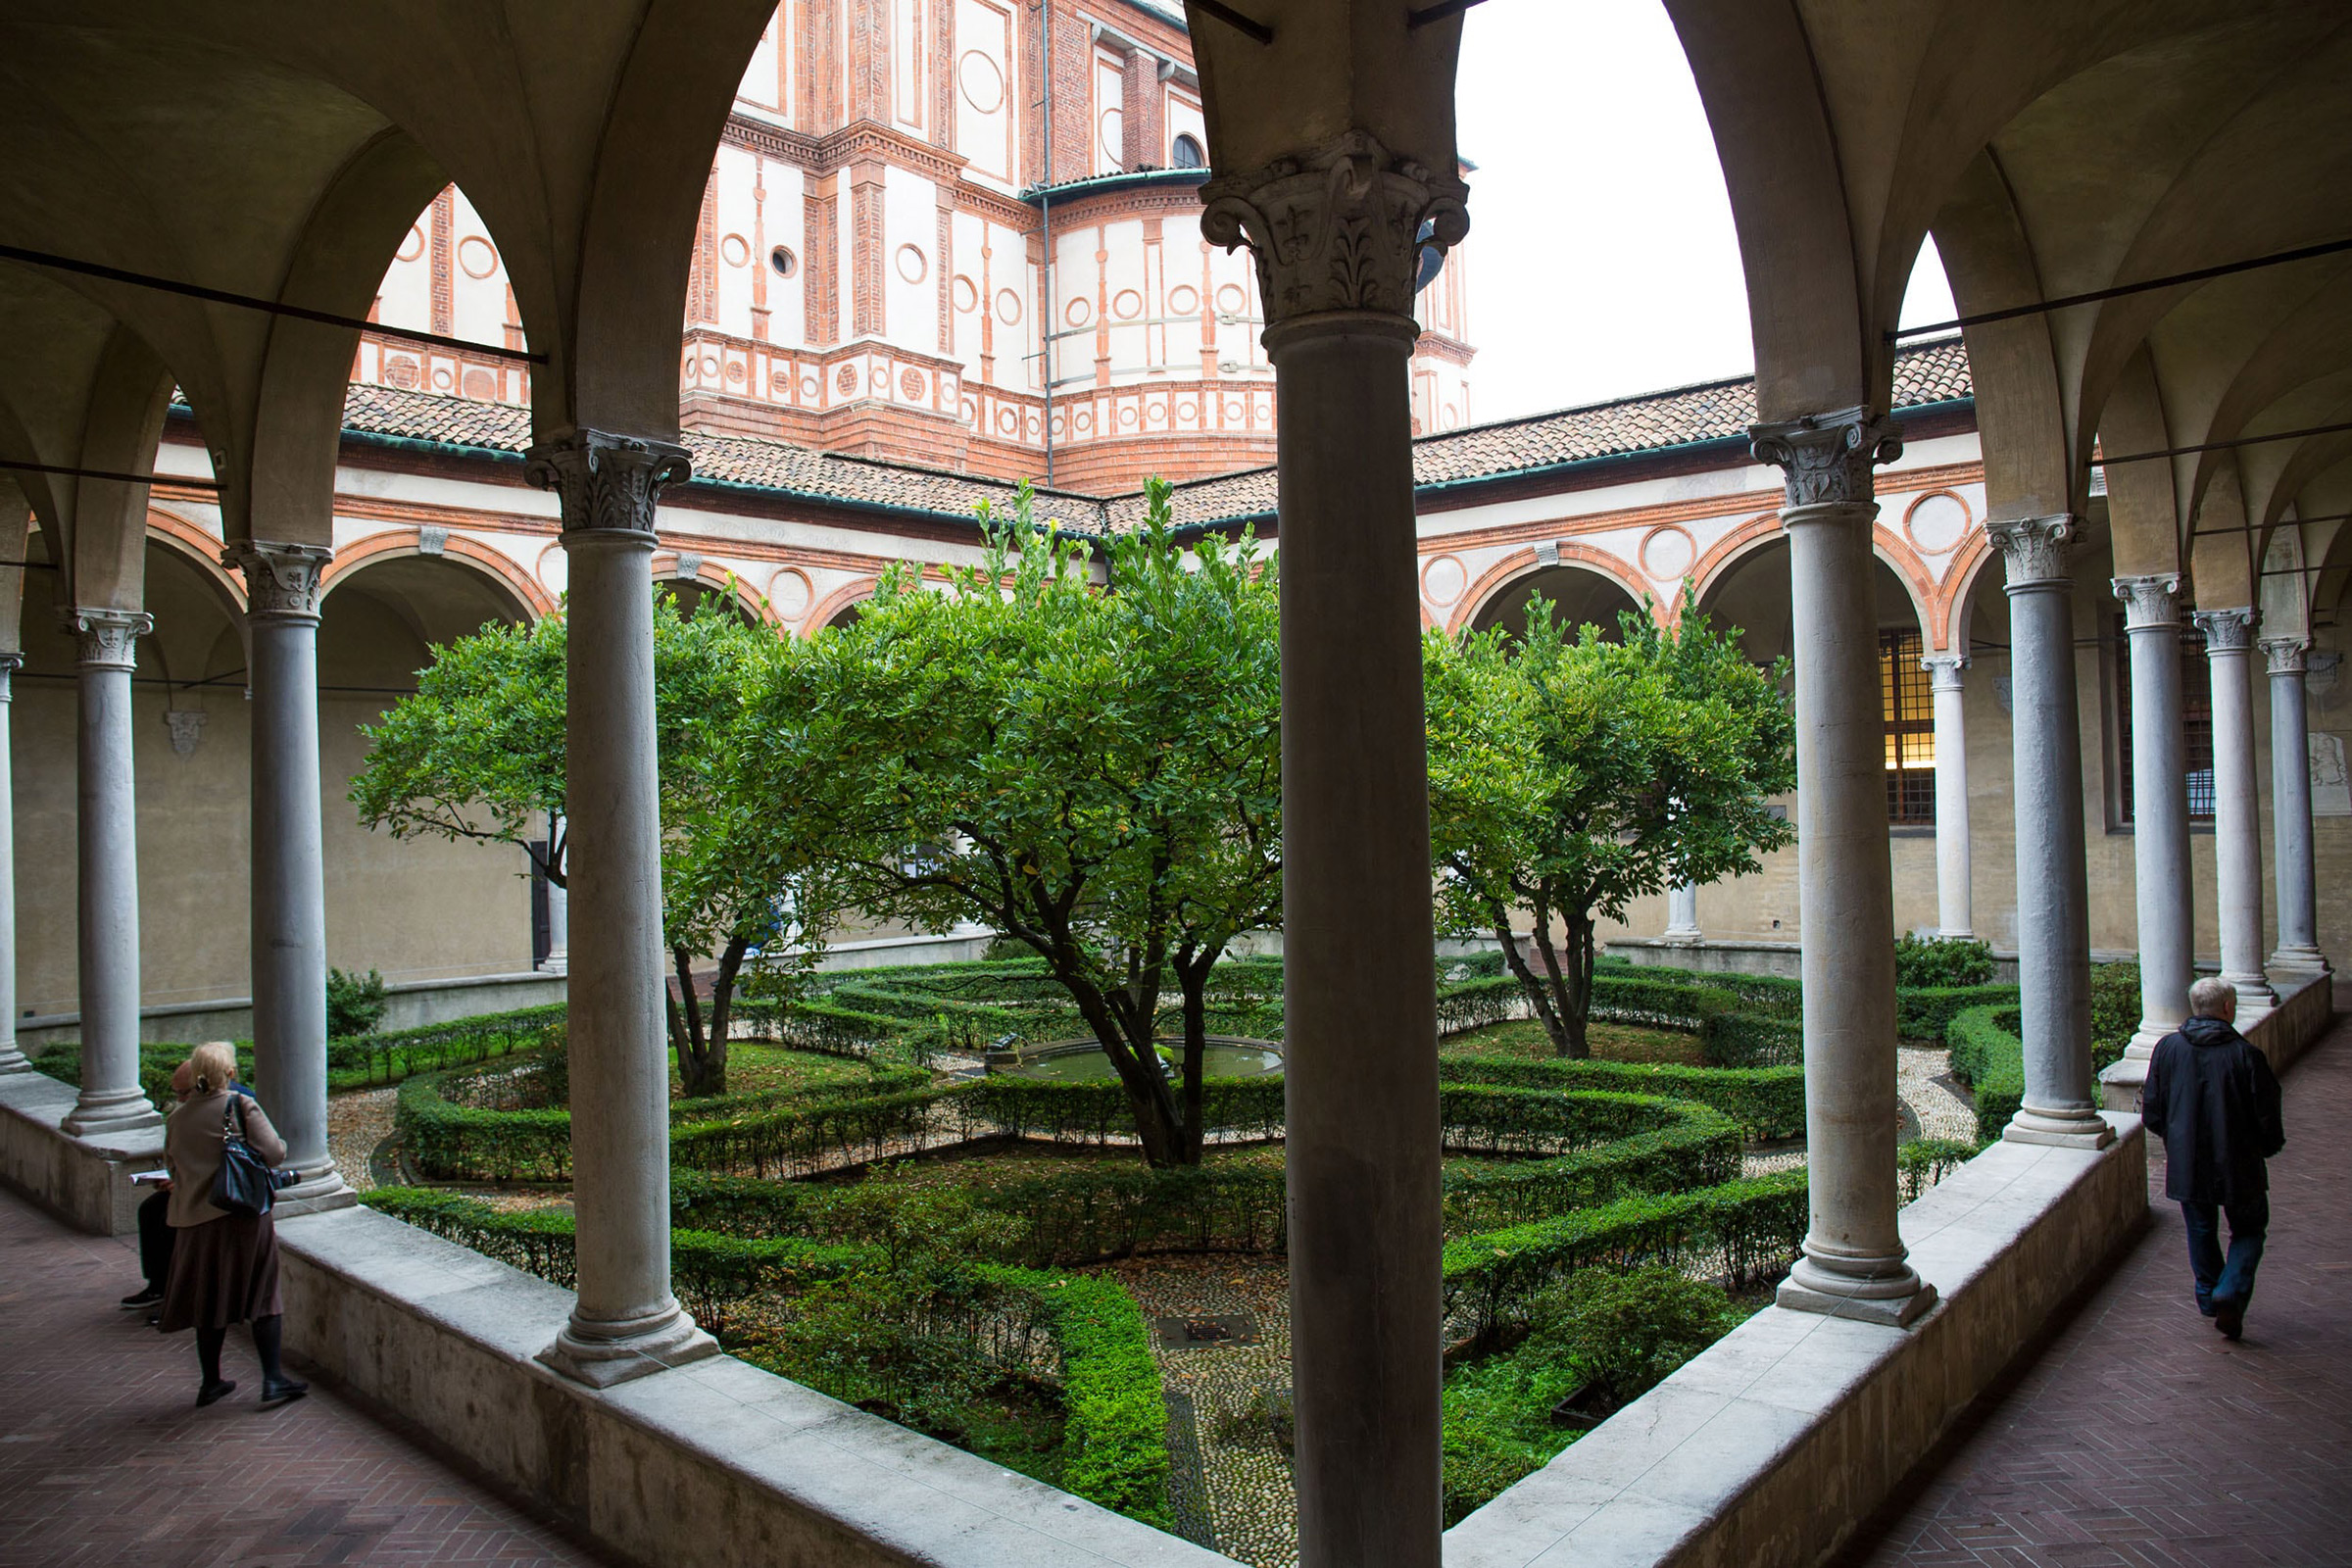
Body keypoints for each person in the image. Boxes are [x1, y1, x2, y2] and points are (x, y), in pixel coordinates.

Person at [157, 1042, 307, 1407]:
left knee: (208, 1300)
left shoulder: (177, 1117)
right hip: (241, 1217)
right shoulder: (239, 1106)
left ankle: (211, 1382)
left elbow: (173, 1166)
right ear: (229, 1073)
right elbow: (275, 1153)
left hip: (194, 1222)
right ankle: (272, 1379)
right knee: (263, 1294)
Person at [2141, 977, 2285, 1341]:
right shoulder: (2246, 1055)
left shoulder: (2167, 1049)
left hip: (2188, 1162)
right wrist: (2266, 1147)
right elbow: (2266, 1113)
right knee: (2250, 1228)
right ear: (2227, 1009)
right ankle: (2230, 1291)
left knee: (2200, 1228)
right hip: (2239, 1162)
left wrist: (2176, 1140)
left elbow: (2153, 1110)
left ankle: (2209, 1297)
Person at [122, 1059, 254, 1311]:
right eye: (177, 1093)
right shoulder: (191, 1109)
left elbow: (239, 1158)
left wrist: (184, 1183)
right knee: (151, 1210)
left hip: (223, 1189)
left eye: (184, 1092)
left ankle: (182, 1296)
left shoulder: (236, 1104)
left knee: (172, 1219)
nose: (180, 1100)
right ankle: (159, 1286)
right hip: (195, 1183)